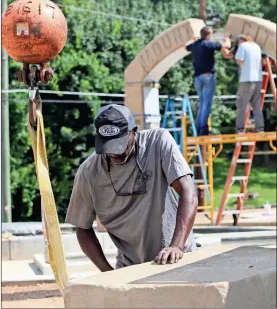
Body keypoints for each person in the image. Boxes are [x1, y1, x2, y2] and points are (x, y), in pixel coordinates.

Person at [66, 104, 198, 271]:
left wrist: (177, 246)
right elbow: (82, 228)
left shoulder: (157, 142)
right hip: (131, 267)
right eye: (108, 146)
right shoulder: (88, 172)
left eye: (119, 145)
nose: (114, 153)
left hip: (178, 258)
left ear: (133, 131)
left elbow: (188, 193)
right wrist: (107, 273)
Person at [185, 26, 231, 136]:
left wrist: (193, 39)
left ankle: (199, 128)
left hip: (197, 78)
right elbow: (226, 46)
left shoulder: (195, 45)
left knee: (202, 104)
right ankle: (203, 130)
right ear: (209, 35)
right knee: (206, 104)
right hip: (207, 77)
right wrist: (227, 37)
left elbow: (185, 47)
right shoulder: (208, 44)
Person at [222, 34, 264, 133]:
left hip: (247, 80)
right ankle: (260, 128)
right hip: (258, 79)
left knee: (241, 105)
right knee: (256, 104)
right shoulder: (256, 46)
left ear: (241, 40)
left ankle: (240, 129)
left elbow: (239, 59)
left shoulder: (242, 46)